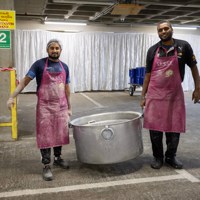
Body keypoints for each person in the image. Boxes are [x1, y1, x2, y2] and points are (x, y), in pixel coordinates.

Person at [7, 39, 72, 181]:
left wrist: (69, 107)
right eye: (52, 48)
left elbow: (66, 88)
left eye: (57, 48)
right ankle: (46, 165)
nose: (54, 50)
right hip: (45, 107)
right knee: (45, 135)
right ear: (47, 50)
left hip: (61, 106)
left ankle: (58, 158)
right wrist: (12, 96)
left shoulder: (65, 67)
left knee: (60, 132)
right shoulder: (39, 64)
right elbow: (24, 81)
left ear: (60, 50)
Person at [140, 20, 200, 170]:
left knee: (174, 127)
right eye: (160, 30)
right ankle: (158, 157)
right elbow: (147, 75)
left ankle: (171, 156)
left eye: (166, 28)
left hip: (174, 95)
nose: (163, 32)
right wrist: (143, 96)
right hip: (155, 94)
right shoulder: (153, 50)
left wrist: (198, 88)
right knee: (155, 128)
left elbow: (194, 68)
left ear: (172, 29)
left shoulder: (183, 46)